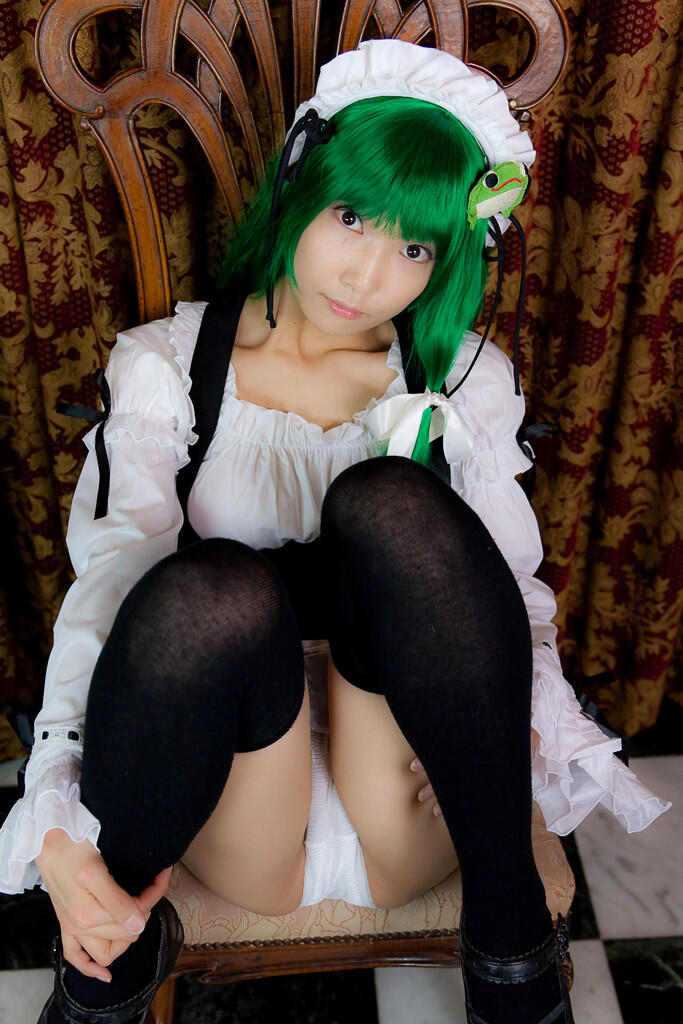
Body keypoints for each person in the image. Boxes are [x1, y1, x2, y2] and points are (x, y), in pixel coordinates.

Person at [0, 39, 670, 1024]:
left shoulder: (462, 379)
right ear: (299, 191)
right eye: (351, 217)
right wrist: (58, 819)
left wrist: (513, 725)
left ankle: (511, 951)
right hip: (232, 787)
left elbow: (508, 587)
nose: (368, 273)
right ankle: (109, 970)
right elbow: (107, 591)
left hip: (411, 776)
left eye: (414, 248)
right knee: (207, 587)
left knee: (386, 502)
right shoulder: (165, 365)